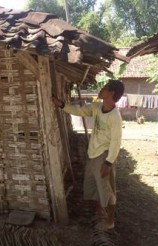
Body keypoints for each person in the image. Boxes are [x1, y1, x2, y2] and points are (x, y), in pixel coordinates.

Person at [52, 80, 124, 231]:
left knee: (107, 190)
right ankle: (100, 213)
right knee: (92, 186)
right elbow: (81, 110)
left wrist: (109, 163)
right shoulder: (98, 107)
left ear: (111, 93)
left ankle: (110, 222)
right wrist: (62, 105)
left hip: (104, 156)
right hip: (93, 153)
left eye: (104, 88)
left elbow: (116, 142)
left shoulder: (115, 117)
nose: (101, 89)